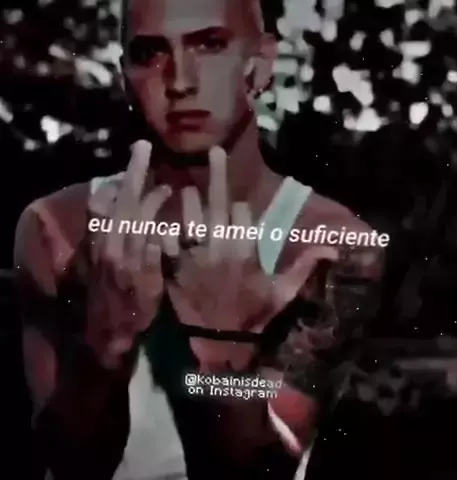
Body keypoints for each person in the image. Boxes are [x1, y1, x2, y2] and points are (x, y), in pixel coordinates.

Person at [14, 0, 385, 479]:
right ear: (125, 74)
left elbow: (261, 473)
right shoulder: (56, 228)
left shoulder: (333, 245)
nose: (180, 81)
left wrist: (226, 356)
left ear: (262, 63)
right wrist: (106, 344)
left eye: (210, 45)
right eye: (150, 53)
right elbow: (67, 461)